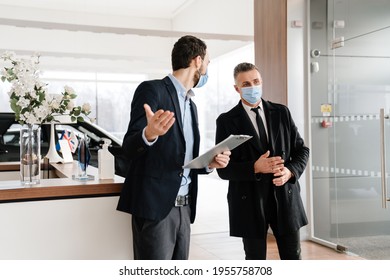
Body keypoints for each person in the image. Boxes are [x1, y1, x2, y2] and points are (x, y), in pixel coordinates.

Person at [117, 35, 230, 260]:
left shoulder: (192, 105)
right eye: (207, 63)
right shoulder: (152, 90)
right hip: (156, 210)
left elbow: (182, 161)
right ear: (197, 61)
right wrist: (149, 134)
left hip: (185, 208)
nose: (207, 69)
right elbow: (129, 147)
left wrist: (209, 163)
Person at [215, 62, 309, 260]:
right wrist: (254, 167)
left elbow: (302, 151)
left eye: (256, 81)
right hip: (248, 201)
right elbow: (223, 170)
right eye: (246, 84)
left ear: (261, 82)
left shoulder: (282, 113)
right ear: (237, 88)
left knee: (293, 256)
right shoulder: (226, 121)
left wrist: (290, 171)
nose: (252, 87)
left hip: (285, 197)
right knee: (255, 259)